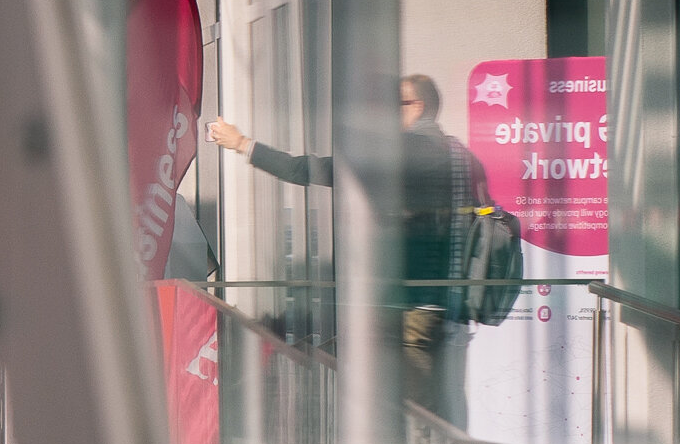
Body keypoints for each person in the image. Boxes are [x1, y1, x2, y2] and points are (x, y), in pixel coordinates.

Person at [207, 71, 487, 414]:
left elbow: (310, 170)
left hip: (411, 310)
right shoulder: (464, 157)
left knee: (407, 412)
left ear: (418, 106)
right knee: (443, 404)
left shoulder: (406, 152)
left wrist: (242, 144)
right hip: (453, 309)